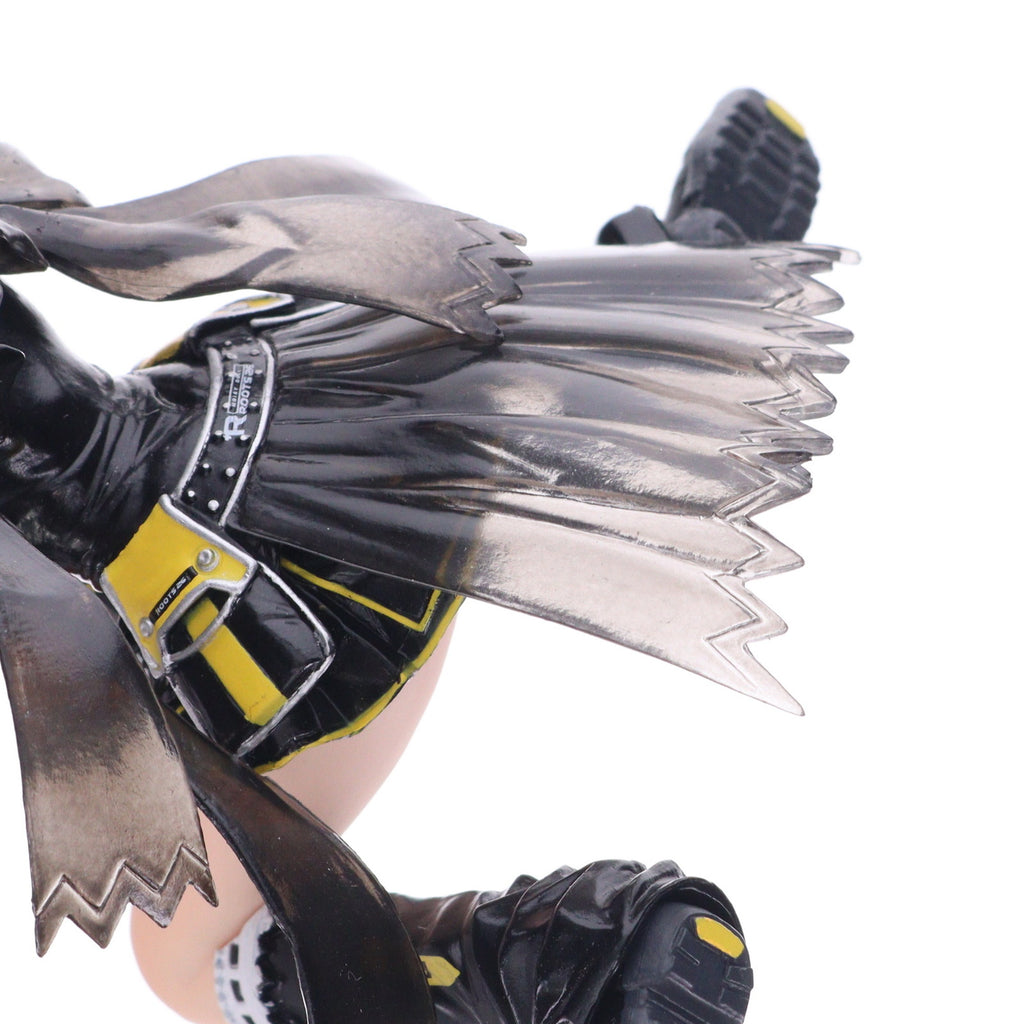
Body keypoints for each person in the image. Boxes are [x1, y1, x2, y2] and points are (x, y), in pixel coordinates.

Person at [0, 89, 846, 1024]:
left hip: (256, 580)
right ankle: (687, 258)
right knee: (482, 376)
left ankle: (571, 955)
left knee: (190, 955)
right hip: (264, 393)